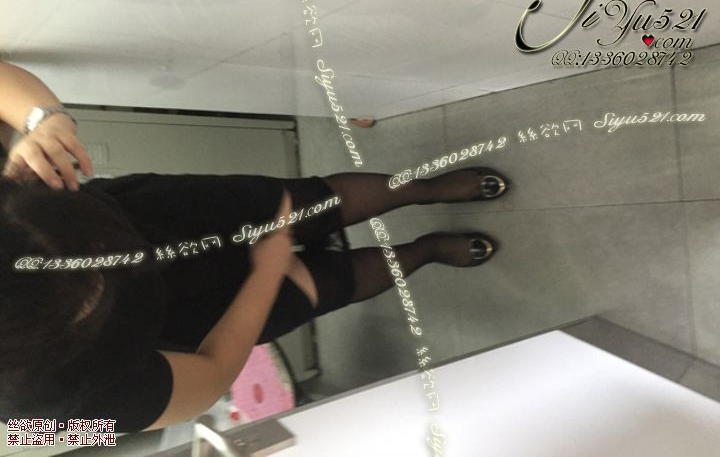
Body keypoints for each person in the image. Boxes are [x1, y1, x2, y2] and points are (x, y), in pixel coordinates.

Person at [0, 61, 511, 433]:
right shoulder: (38, 416)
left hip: (145, 216)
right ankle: (424, 251)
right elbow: (203, 386)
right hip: (186, 321)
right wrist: (266, 276)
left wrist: (45, 119)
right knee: (324, 286)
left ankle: (422, 189)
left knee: (311, 201)